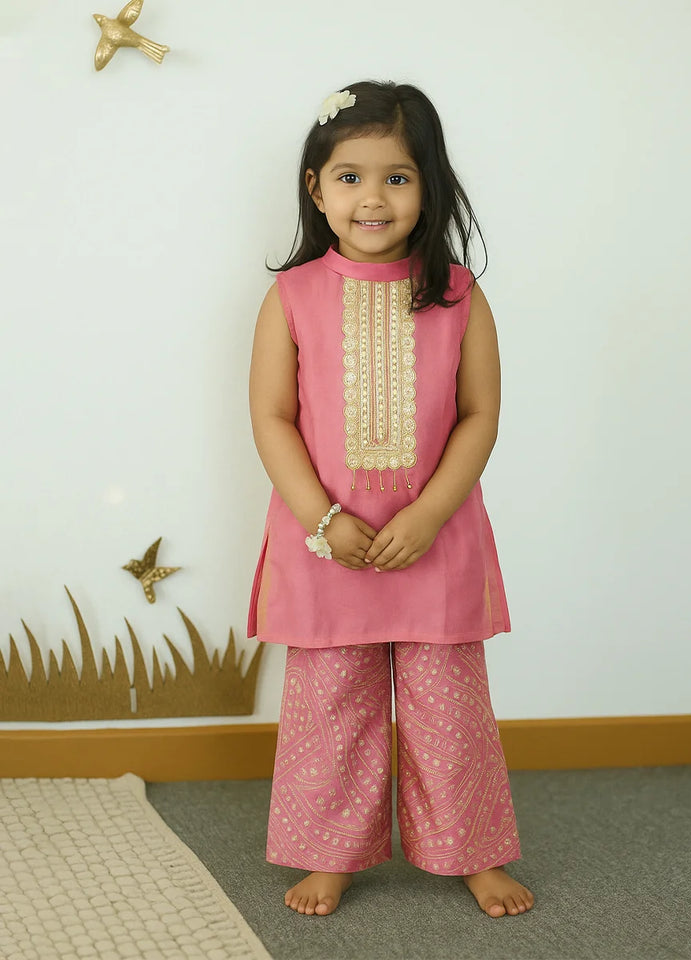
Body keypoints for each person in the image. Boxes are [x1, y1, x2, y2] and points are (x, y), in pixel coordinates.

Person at [248, 80, 534, 920]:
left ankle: (473, 853)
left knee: (451, 710)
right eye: (350, 177)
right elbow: (270, 418)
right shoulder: (291, 296)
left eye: (398, 178)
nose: (372, 197)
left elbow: (481, 413)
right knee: (331, 708)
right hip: (326, 544)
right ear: (316, 188)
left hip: (433, 539)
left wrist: (428, 514)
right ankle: (331, 855)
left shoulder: (458, 295)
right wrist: (322, 520)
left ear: (429, 185)